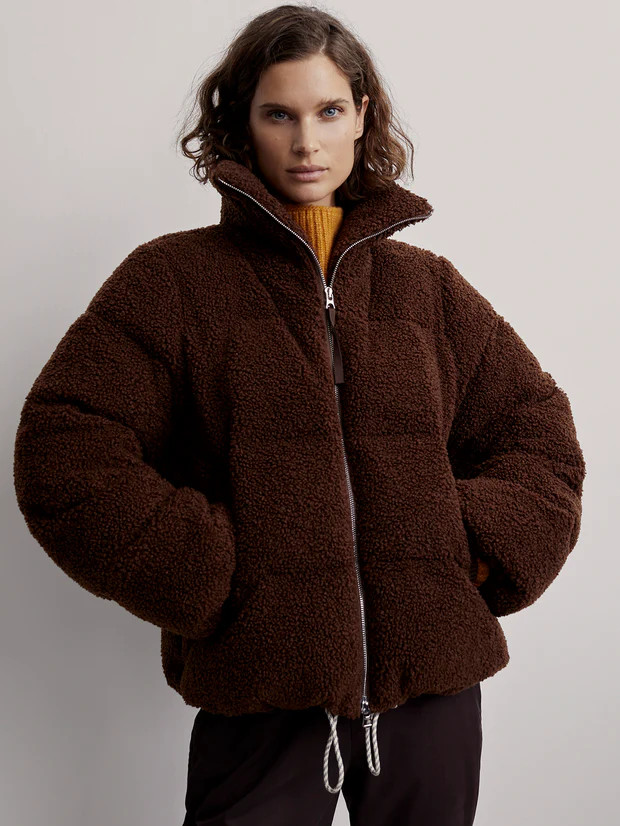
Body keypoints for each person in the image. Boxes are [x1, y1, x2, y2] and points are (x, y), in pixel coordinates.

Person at [12, 4, 586, 825]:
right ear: (242, 124)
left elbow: (538, 435)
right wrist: (212, 573)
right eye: (279, 114)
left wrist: (468, 548)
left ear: (362, 117)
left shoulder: (427, 289)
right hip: (262, 692)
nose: (306, 141)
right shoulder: (171, 282)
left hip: (431, 694)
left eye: (328, 111)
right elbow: (64, 450)